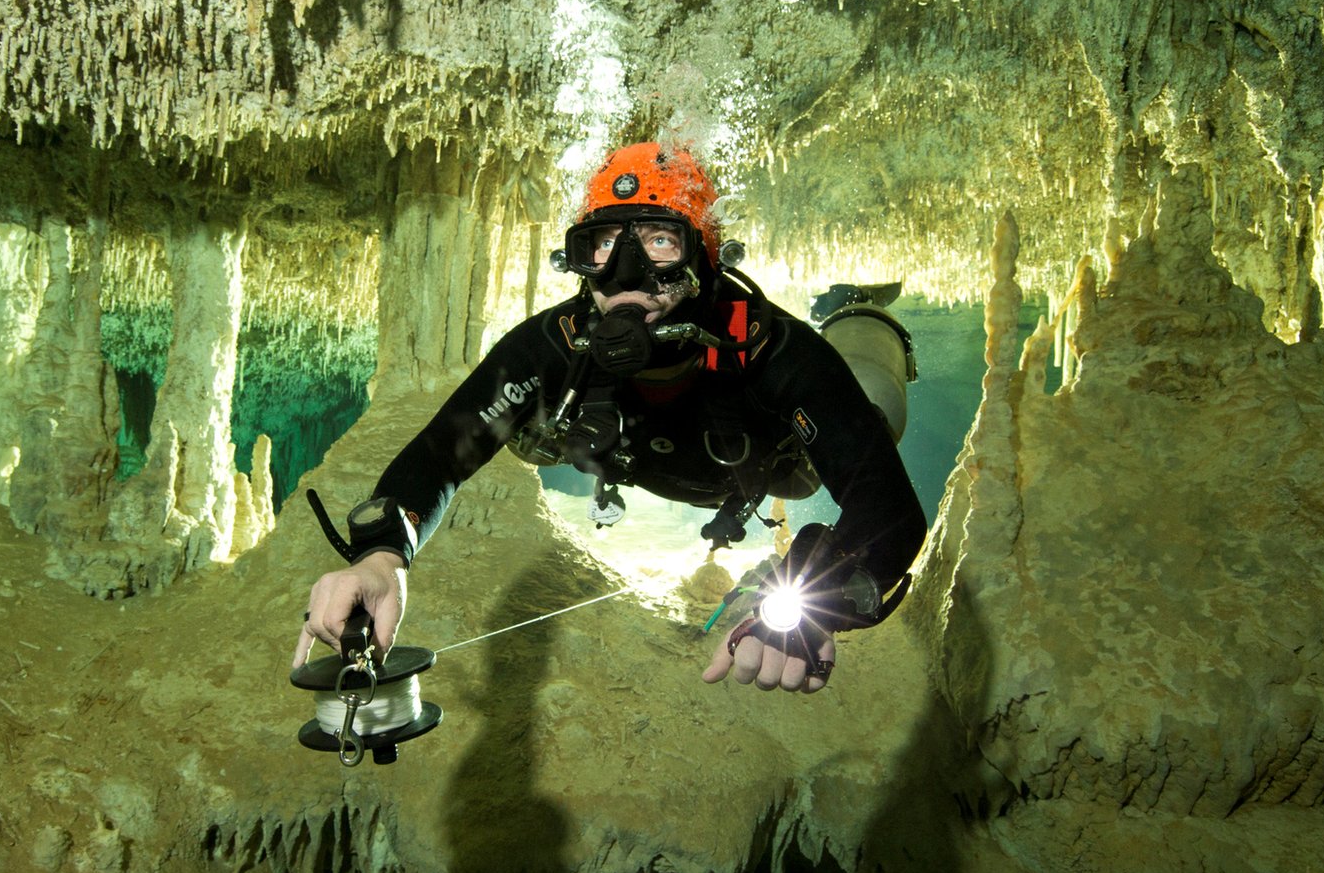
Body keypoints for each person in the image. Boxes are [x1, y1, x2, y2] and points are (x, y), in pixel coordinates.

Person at [295, 142, 926, 693]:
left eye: (657, 240)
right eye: (602, 245)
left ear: (704, 259)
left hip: (771, 469)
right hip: (641, 462)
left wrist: (815, 596)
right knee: (530, 425)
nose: (626, 277)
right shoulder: (556, 343)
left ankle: (859, 315)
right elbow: (444, 453)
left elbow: (889, 511)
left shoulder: (766, 346)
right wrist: (381, 559)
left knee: (874, 411)